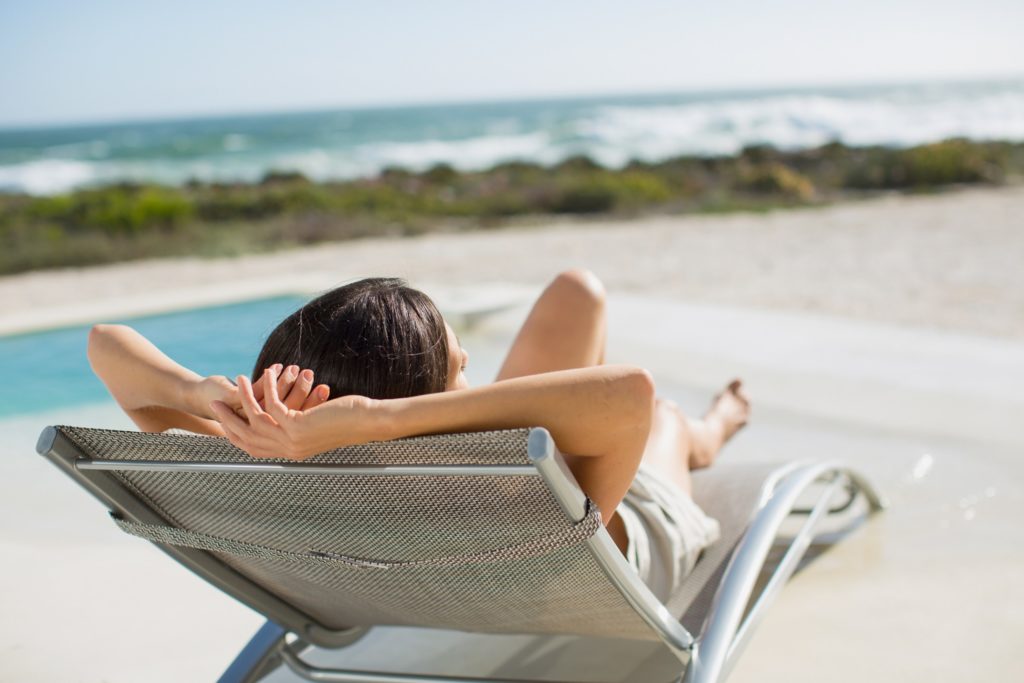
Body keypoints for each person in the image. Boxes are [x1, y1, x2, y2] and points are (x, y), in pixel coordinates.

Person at [88, 270, 749, 601]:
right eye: (462, 370)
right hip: (635, 538)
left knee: (578, 292)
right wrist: (378, 418)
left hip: (413, 514)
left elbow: (104, 344)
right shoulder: (509, 504)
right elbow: (630, 394)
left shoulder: (263, 478)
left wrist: (200, 394)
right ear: (406, 408)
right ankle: (710, 430)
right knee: (664, 417)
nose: (474, 376)